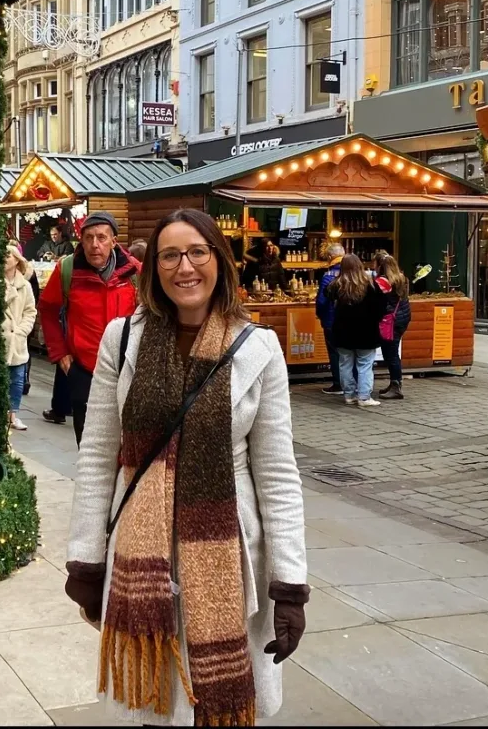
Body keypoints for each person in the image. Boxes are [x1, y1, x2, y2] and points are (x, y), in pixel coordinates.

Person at [64, 209, 308, 726]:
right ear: (153, 268)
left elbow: (278, 472)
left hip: (226, 552)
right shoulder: (122, 339)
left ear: (219, 261)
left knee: (213, 701)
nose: (184, 267)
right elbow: (97, 454)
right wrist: (85, 558)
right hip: (140, 549)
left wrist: (289, 584)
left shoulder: (258, 348)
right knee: (155, 702)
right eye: (170, 255)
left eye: (198, 252)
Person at [38, 212, 140, 445]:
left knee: (128, 445)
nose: (95, 245)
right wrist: (60, 352)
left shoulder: (135, 273)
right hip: (84, 371)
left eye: (102, 238)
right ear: (81, 242)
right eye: (89, 238)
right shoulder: (68, 271)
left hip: (127, 372)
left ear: (114, 241)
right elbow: (48, 309)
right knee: (88, 446)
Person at [326, 254, 388, 408]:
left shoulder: (336, 285)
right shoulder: (371, 285)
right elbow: (381, 308)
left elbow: (327, 301)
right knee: (365, 365)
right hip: (366, 332)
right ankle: (364, 396)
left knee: (345, 364)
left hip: (342, 331)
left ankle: (349, 395)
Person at [3, 244, 37, 431]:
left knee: (17, 380)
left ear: (17, 260)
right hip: (2, 338)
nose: (4, 258)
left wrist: (22, 330)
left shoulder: (25, 286)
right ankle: (0, 414)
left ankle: (13, 415)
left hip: (17, 340)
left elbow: (30, 311)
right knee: (1, 378)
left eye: (8, 255)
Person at [375, 253, 412, 400]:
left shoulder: (383, 282)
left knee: (391, 354)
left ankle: (396, 386)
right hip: (402, 318)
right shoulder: (401, 278)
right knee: (392, 352)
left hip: (391, 321)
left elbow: (377, 300)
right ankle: (394, 383)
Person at [315, 243, 345, 395]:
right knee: (349, 352)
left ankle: (338, 384)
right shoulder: (354, 274)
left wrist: (320, 315)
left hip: (331, 320)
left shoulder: (328, 276)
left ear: (330, 257)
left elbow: (322, 301)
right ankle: (352, 384)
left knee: (334, 352)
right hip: (349, 320)